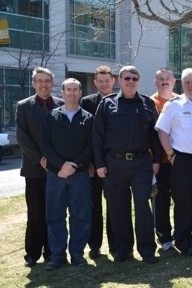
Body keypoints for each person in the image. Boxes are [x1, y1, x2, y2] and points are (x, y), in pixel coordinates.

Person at [92, 66, 161, 264]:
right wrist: (99, 164)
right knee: (118, 208)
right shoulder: (107, 104)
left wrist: (156, 161)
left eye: (134, 78)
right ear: (119, 80)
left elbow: (155, 136)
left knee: (143, 208)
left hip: (141, 164)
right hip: (114, 164)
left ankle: (147, 250)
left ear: (138, 81)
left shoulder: (147, 103)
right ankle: (123, 250)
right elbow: (97, 136)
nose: (131, 81)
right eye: (127, 78)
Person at [156, 68, 192, 256]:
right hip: (183, 161)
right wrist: (171, 154)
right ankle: (183, 240)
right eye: (187, 82)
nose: (191, 86)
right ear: (183, 84)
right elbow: (162, 131)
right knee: (184, 202)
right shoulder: (174, 105)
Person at [40, 78, 94, 270]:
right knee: (55, 215)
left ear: (80, 93)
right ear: (62, 93)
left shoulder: (88, 118)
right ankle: (57, 255)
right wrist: (61, 165)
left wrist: (74, 164)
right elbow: (45, 144)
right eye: (68, 89)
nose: (71, 93)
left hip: (80, 175)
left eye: (75, 90)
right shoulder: (51, 116)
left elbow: (91, 146)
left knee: (81, 215)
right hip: (56, 175)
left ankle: (77, 254)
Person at [16, 67, 64, 267]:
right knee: (35, 213)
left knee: (56, 211)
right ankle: (32, 253)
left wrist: (55, 160)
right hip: (35, 169)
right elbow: (22, 137)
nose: (44, 84)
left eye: (47, 81)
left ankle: (53, 251)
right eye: (39, 81)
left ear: (53, 83)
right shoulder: (24, 106)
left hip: (58, 170)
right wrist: (41, 159)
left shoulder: (62, 104)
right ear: (34, 83)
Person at [81, 65, 115, 259]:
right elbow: (85, 136)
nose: (104, 84)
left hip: (113, 164)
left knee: (114, 206)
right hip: (93, 165)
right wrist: (90, 163)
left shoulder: (120, 101)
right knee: (94, 207)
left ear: (113, 81)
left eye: (107, 80)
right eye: (100, 81)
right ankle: (95, 245)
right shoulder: (86, 103)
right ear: (95, 83)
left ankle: (115, 244)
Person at [150, 68, 179, 251]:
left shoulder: (181, 101)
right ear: (155, 82)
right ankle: (164, 236)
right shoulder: (150, 103)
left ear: (174, 81)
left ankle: (181, 234)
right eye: (160, 79)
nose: (164, 81)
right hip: (159, 163)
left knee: (181, 199)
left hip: (180, 161)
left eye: (168, 78)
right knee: (160, 201)